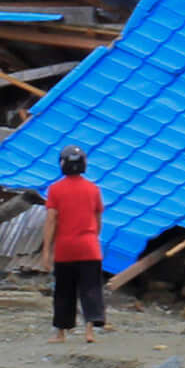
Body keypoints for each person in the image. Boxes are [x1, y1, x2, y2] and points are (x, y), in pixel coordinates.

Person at [45, 145, 106, 343]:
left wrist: (46, 250)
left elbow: (51, 220)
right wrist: (92, 237)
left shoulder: (55, 190)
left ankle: (61, 333)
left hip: (65, 249)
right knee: (91, 289)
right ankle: (89, 331)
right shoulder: (93, 189)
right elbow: (98, 220)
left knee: (63, 291)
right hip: (89, 247)